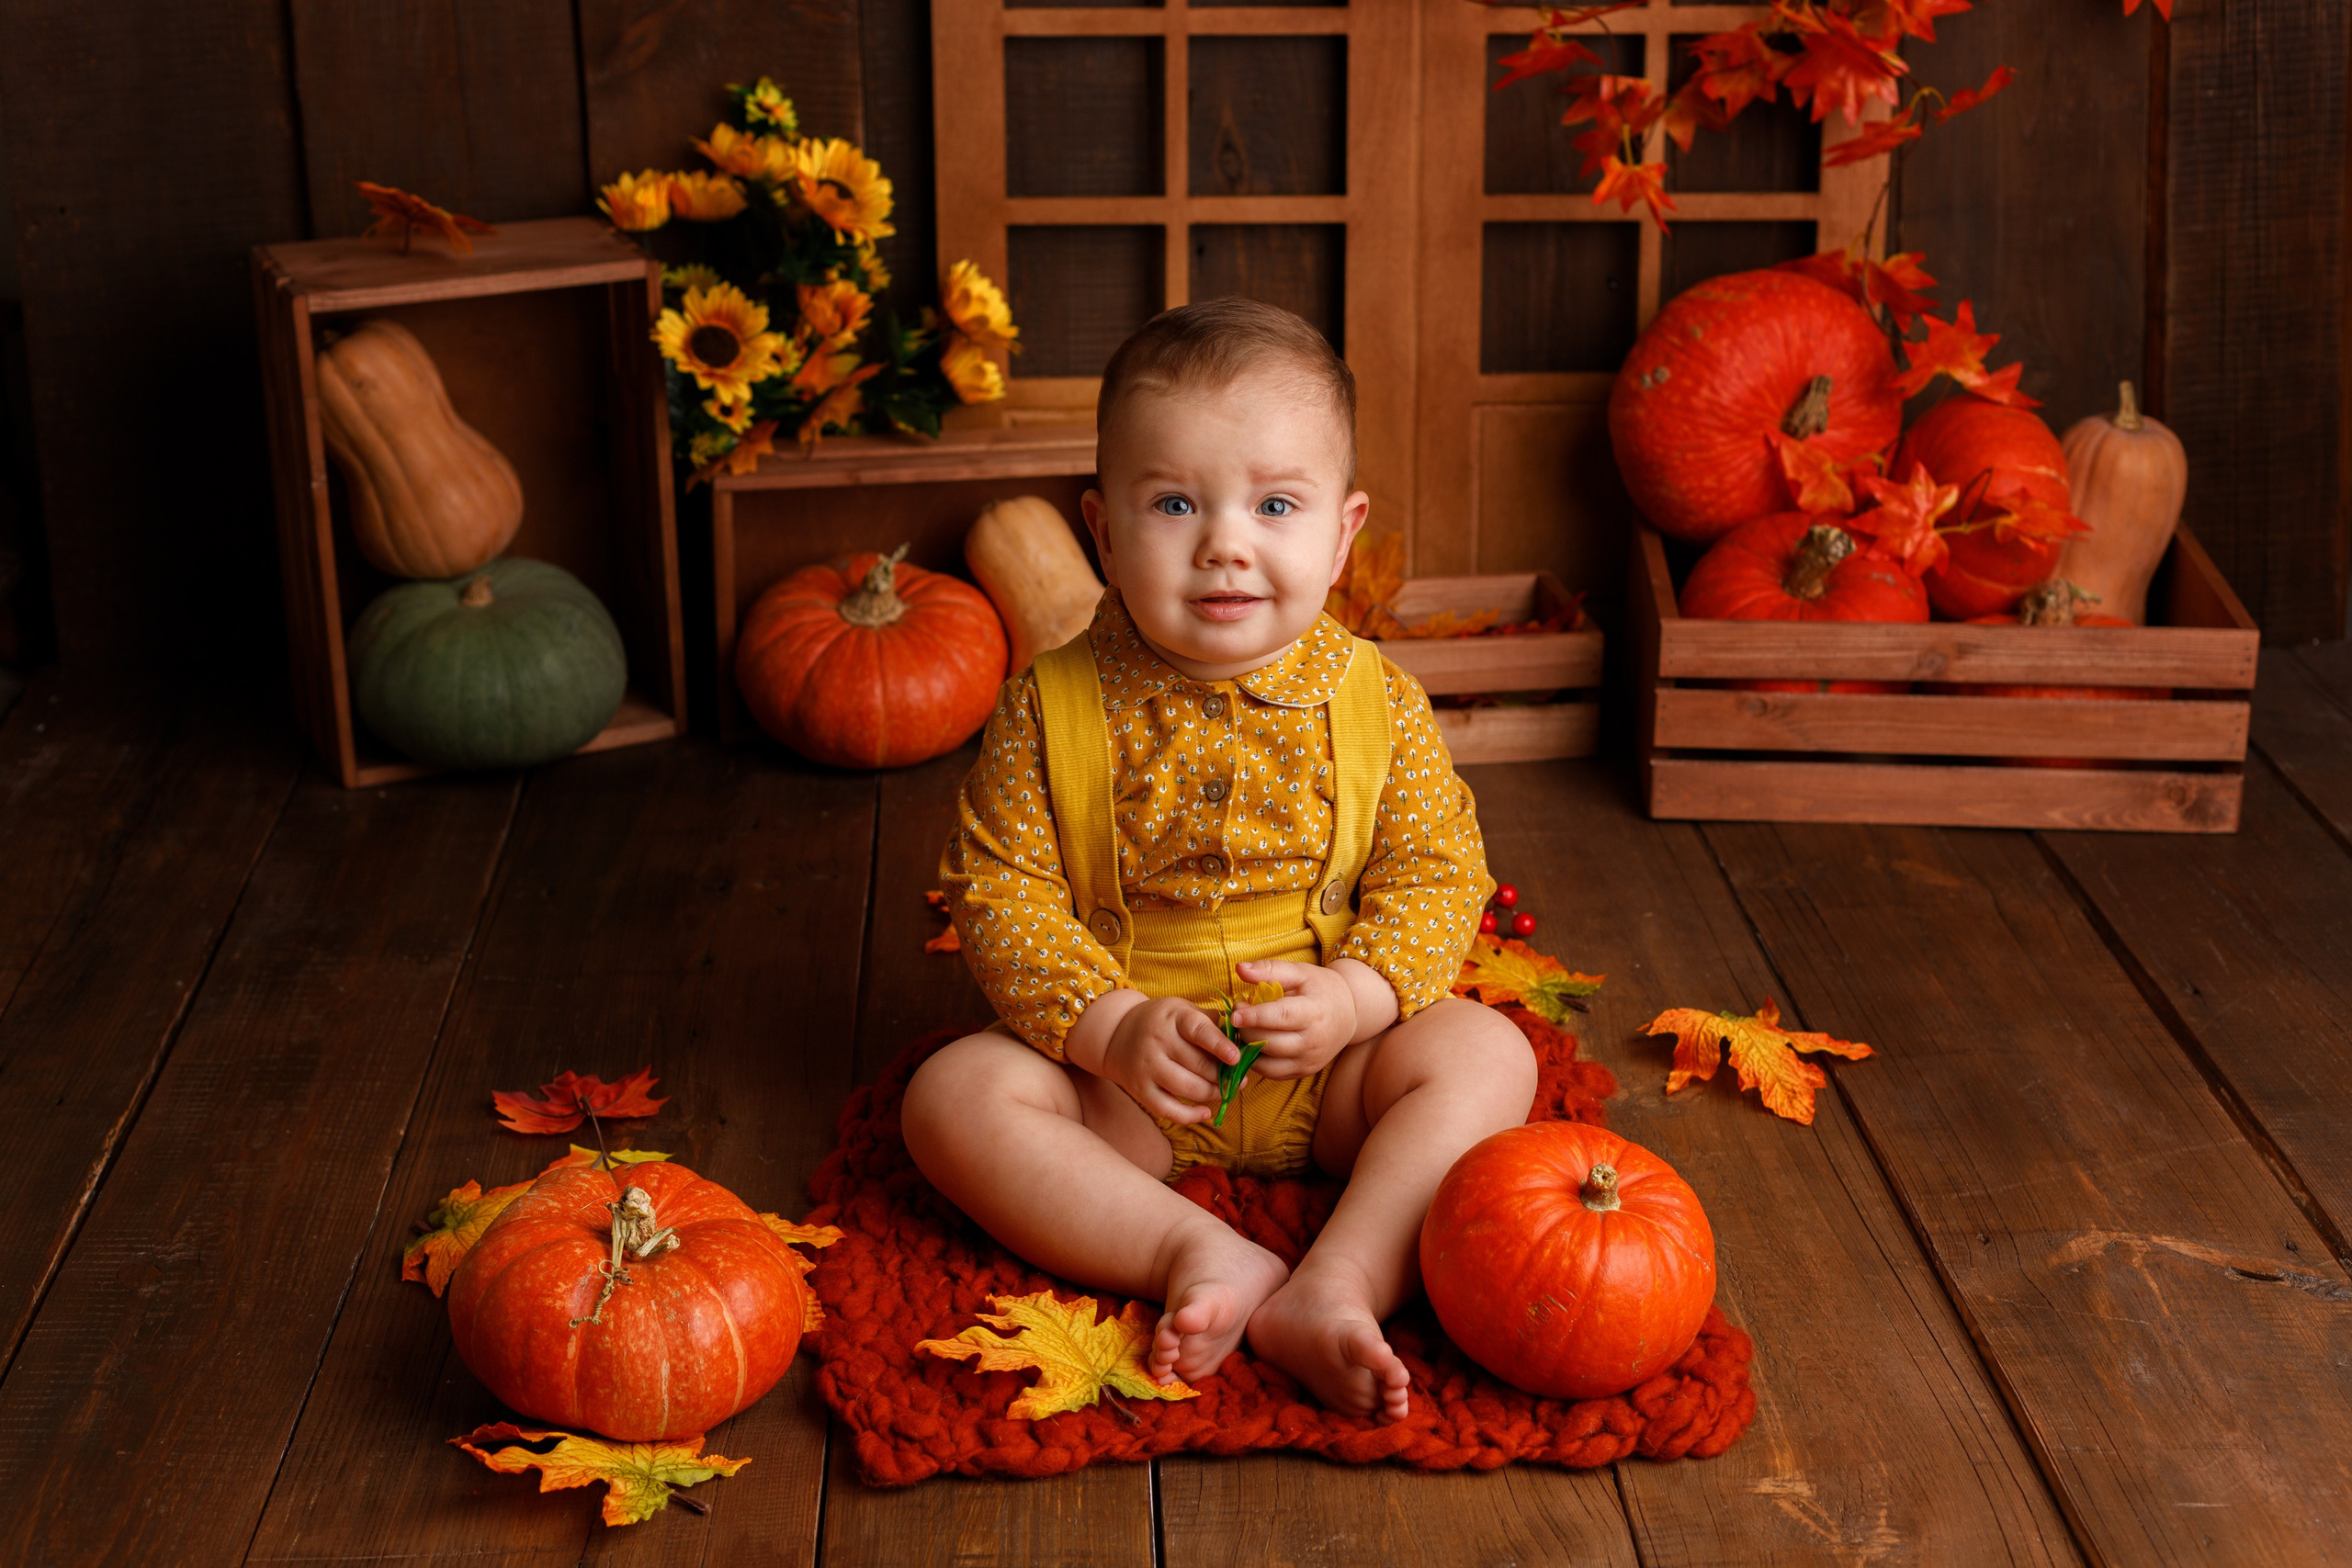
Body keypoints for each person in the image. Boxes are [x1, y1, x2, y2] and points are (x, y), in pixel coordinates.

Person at [906, 298, 1534, 1422]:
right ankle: (1193, 1252)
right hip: (1127, 1087)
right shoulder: (1047, 706)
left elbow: (1438, 876)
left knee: (1487, 1054)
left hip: (1332, 1069)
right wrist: (1108, 1027)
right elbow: (999, 891)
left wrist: (1354, 999)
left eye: (1274, 504)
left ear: (1341, 535)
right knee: (954, 1097)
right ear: (1101, 529)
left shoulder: (1377, 700)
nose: (1224, 543)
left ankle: (1338, 1280)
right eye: (1176, 502)